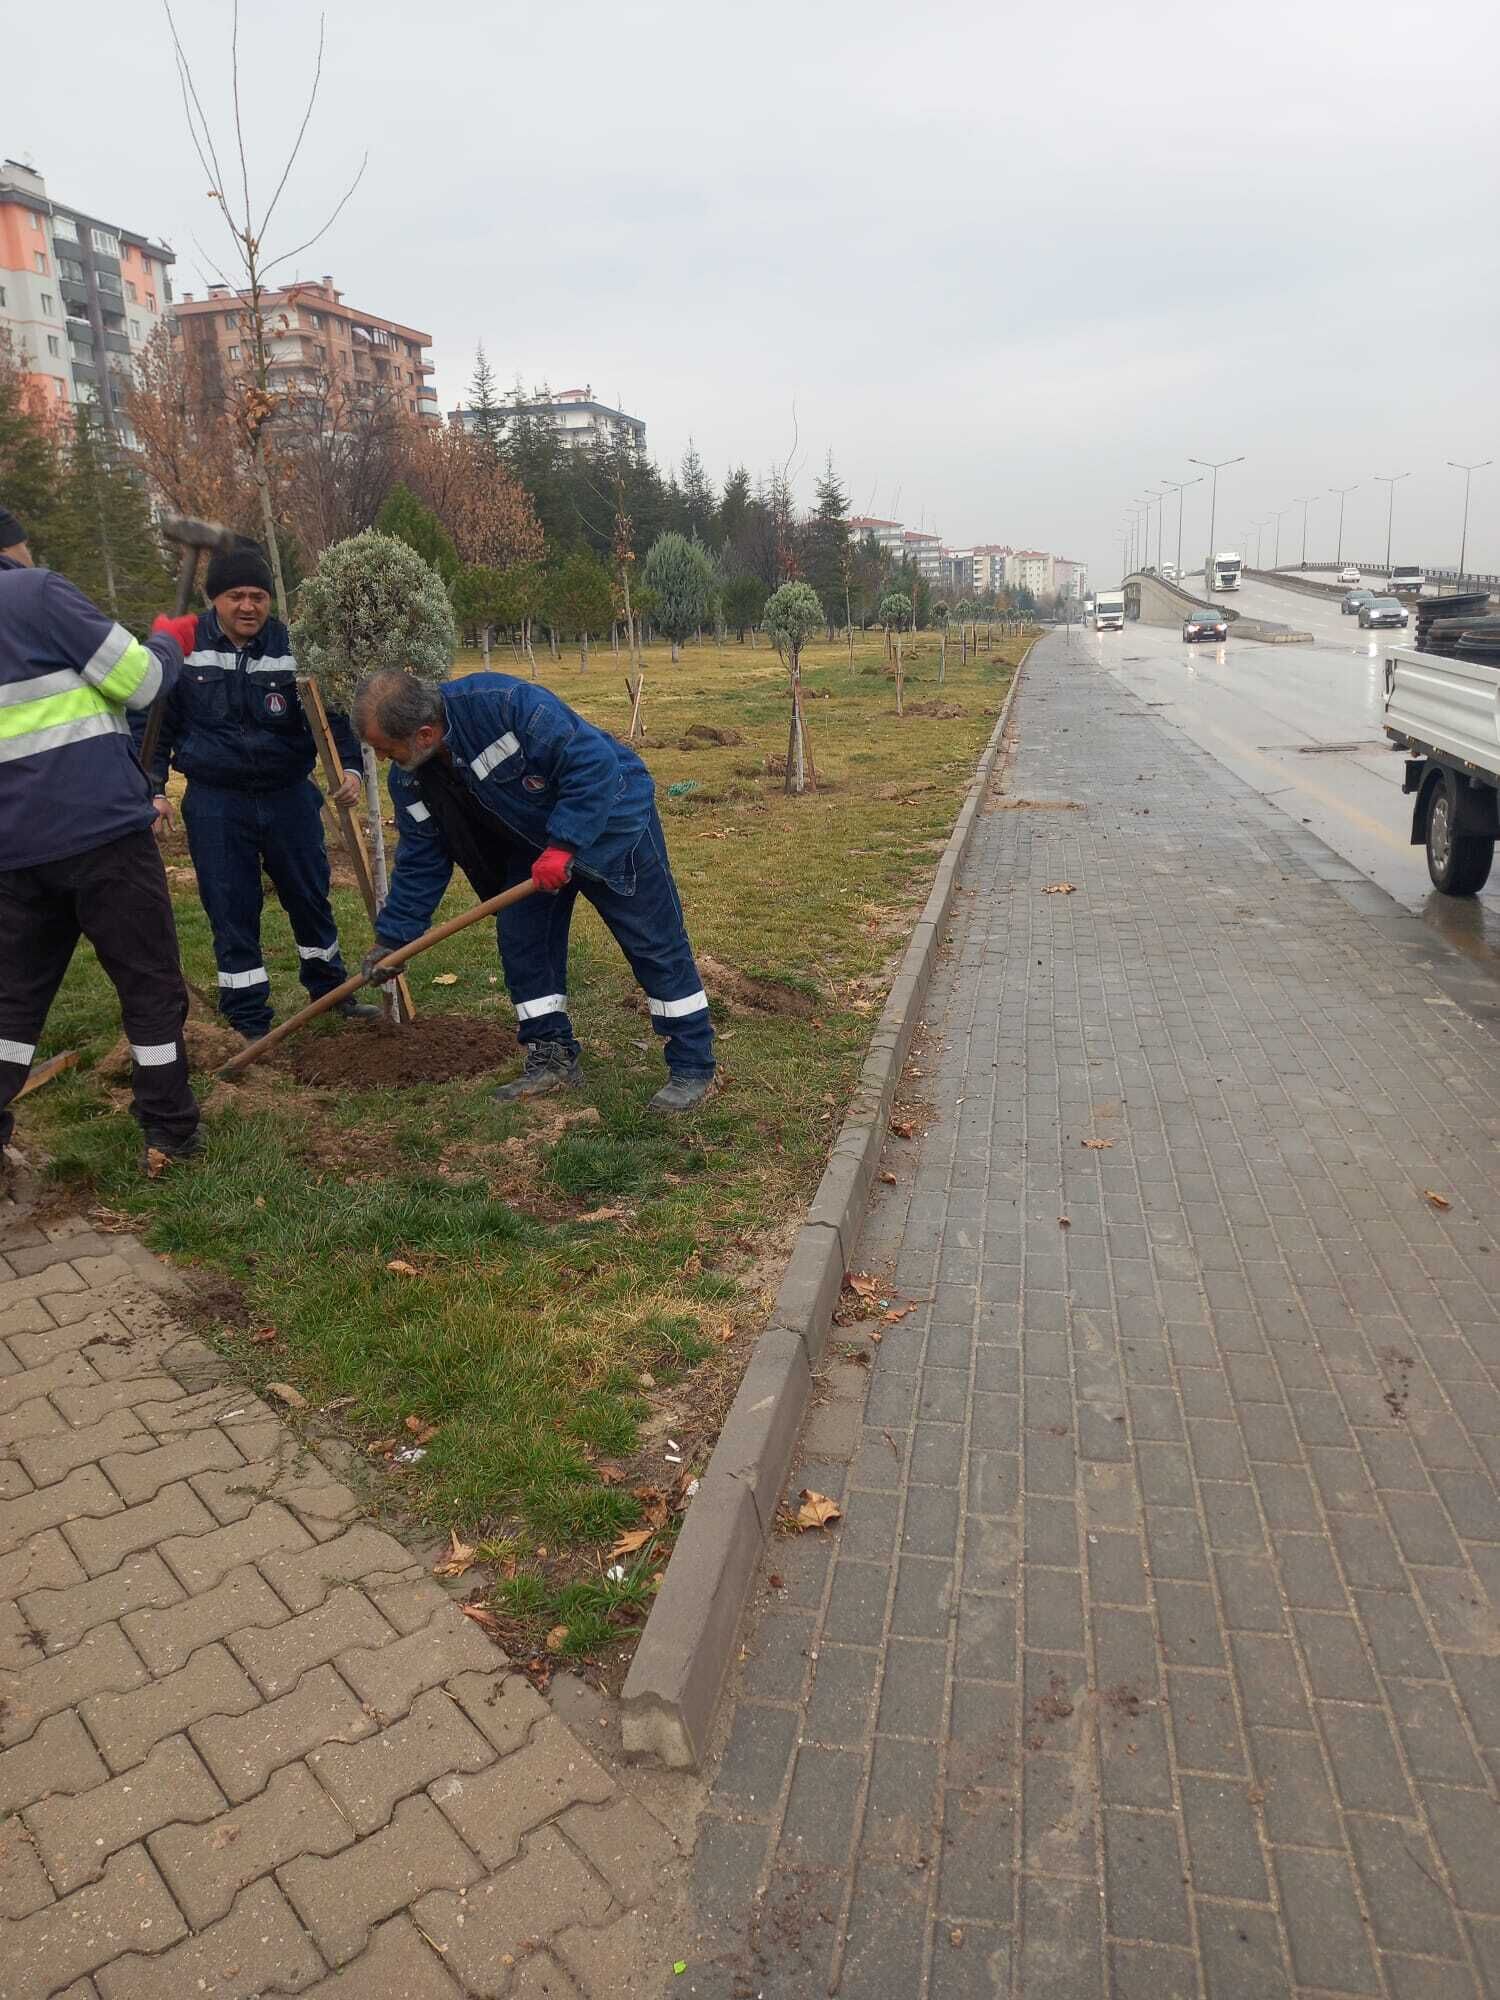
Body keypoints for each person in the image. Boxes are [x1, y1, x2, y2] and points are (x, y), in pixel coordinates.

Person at [354, 668, 717, 1113]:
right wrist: (393, 940)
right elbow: (420, 860)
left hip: (611, 825)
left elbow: (591, 764)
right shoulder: (411, 779)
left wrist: (565, 844)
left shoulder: (506, 703)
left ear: (424, 733)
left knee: (654, 943)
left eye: (386, 749)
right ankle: (552, 1057)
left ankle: (693, 1064)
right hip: (533, 843)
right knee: (523, 942)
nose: (386, 759)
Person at [0, 506, 200, 1174]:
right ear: (13, 545)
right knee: (148, 987)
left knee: (12, 1001)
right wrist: (170, 641)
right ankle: (167, 1132)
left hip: (13, 852)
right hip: (101, 837)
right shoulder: (35, 592)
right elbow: (141, 682)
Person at [146, 538, 377, 1042]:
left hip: (288, 796)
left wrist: (352, 771)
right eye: (236, 596)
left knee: (310, 896)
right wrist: (153, 788)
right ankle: (249, 1018)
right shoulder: (184, 651)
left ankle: (330, 992)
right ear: (215, 600)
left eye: (258, 595)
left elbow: (334, 716)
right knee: (230, 906)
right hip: (215, 802)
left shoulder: (294, 648)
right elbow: (155, 725)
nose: (248, 606)